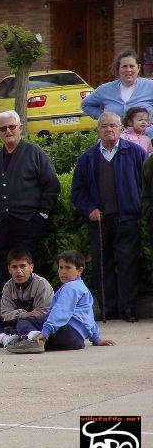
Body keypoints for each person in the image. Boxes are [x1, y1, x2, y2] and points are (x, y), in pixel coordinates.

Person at [72, 112, 146, 323]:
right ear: (97, 130)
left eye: (113, 125)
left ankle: (128, 308)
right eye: (104, 126)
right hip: (99, 221)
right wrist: (89, 209)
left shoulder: (135, 153)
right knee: (101, 265)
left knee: (128, 263)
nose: (109, 129)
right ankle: (108, 308)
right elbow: (78, 190)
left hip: (127, 219)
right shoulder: (87, 158)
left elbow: (146, 184)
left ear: (121, 128)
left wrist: (139, 207)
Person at [0, 110, 60, 287]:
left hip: (28, 222)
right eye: (3, 128)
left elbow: (52, 184)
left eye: (12, 126)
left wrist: (42, 214)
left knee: (27, 265)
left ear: (20, 128)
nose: (8, 131)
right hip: (0, 224)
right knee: (5, 265)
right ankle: (9, 302)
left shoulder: (34, 153)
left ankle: (31, 302)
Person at [6, 250, 116, 354]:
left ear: (79, 270)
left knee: (24, 321)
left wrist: (46, 331)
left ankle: (34, 341)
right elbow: (88, 316)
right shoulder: (83, 288)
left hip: (66, 332)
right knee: (37, 330)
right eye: (61, 267)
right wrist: (96, 338)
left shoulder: (70, 288)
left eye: (68, 268)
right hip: (77, 341)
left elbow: (60, 311)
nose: (63, 272)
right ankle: (34, 341)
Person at [0, 248, 53, 348]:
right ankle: (5, 339)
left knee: (23, 325)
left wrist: (22, 317)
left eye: (23, 266)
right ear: (9, 269)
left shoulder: (42, 285)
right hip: (14, 322)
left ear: (31, 267)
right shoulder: (8, 286)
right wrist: (23, 314)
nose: (19, 271)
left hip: (33, 326)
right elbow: (5, 315)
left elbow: (42, 314)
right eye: (14, 267)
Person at [81, 49, 153, 137]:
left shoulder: (150, 86)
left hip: (147, 140)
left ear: (138, 68)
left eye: (132, 66)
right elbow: (85, 105)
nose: (128, 70)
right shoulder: (105, 89)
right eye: (124, 66)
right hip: (115, 141)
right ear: (118, 69)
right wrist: (105, 117)